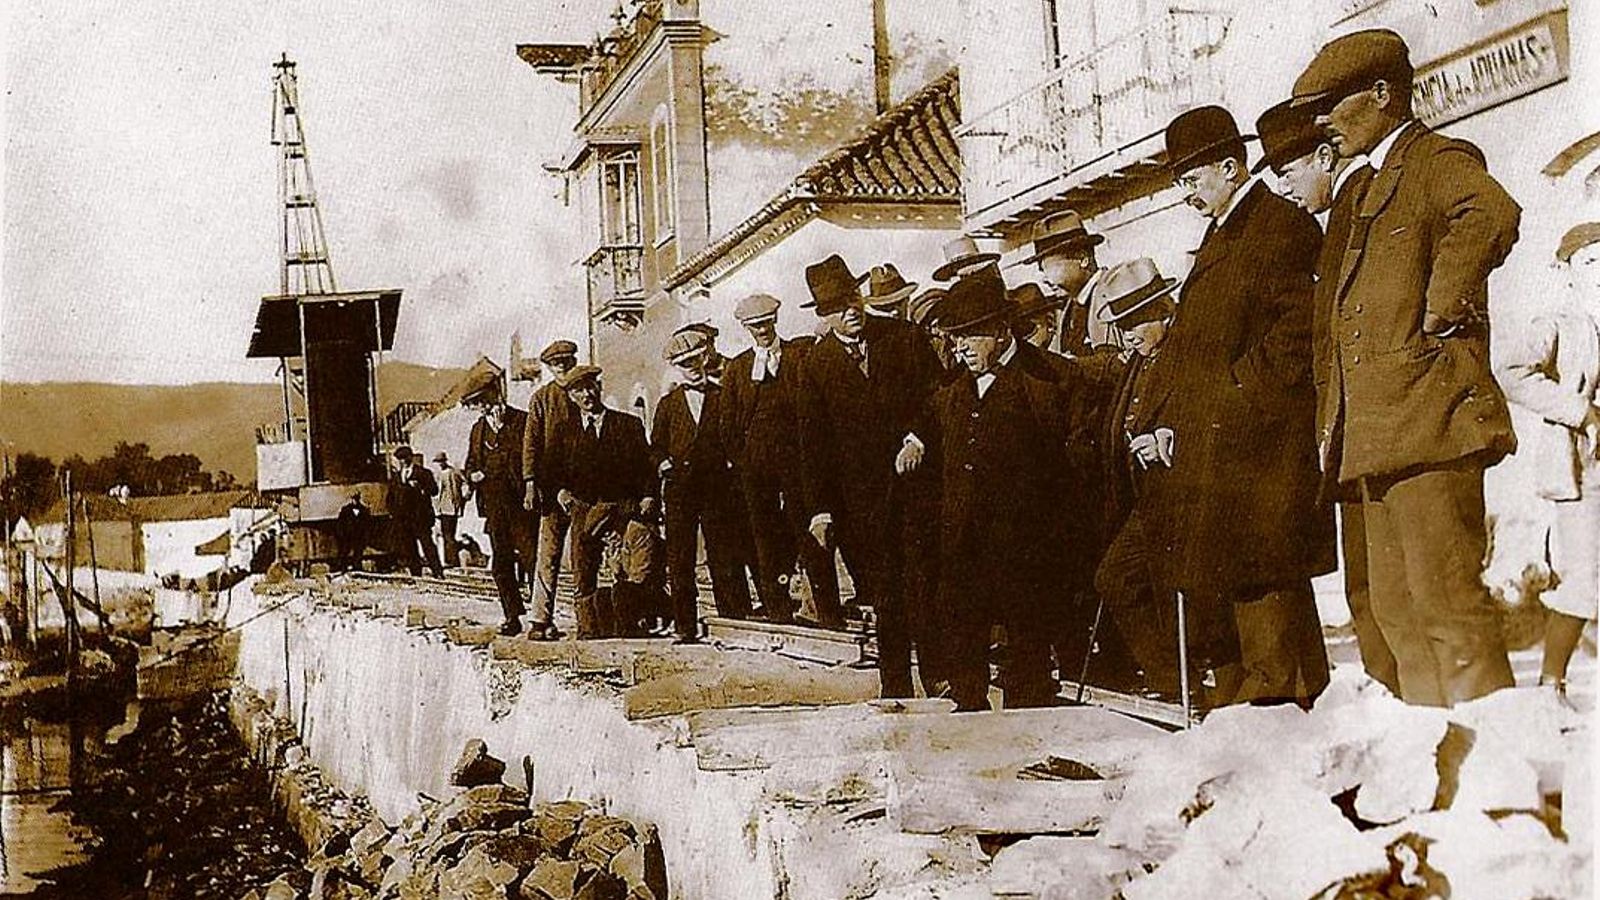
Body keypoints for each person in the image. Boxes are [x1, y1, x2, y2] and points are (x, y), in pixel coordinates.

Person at [1294, 29, 1521, 706]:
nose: (1324, 122)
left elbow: (1492, 212)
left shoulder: (1432, 159)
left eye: (1335, 103)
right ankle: (1436, 766)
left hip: (1431, 423)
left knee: (1448, 606)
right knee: (1397, 616)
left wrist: (1440, 310)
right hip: (1377, 435)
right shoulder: (1363, 188)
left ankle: (1496, 775)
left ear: (1383, 95)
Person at [1143, 104, 1332, 707]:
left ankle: (1285, 727)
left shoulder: (1281, 226)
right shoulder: (1224, 233)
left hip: (1261, 451)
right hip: (1221, 448)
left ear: (1230, 165)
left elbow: (1297, 334)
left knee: (1267, 591)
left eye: (1191, 179)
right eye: (1179, 181)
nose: (1184, 193)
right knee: (1242, 589)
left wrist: (1230, 397)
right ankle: (1267, 725)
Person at [1255, 97, 1399, 696]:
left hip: (1371, 428)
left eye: (1289, 172)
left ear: (1321, 155)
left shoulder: (1356, 203)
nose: (1285, 189)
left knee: (1382, 594)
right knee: (1366, 593)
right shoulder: (1333, 214)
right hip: (1345, 433)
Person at [897, 271, 1078, 710]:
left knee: (1028, 661)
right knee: (963, 651)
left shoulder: (1050, 380)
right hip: (963, 543)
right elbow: (928, 416)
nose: (957, 347)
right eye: (953, 337)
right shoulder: (951, 386)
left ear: (999, 330)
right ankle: (969, 723)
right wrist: (914, 439)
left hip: (1026, 546)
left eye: (967, 337)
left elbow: (1073, 470)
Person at [795, 253, 942, 697]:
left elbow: (937, 397)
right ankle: (895, 685)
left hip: (916, 491)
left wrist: (917, 438)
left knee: (925, 585)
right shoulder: (815, 366)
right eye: (839, 306)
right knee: (884, 596)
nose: (851, 310)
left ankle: (940, 677)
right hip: (859, 505)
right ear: (825, 315)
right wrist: (820, 511)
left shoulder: (904, 339)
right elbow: (812, 445)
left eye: (853, 299)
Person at [1499, 222, 1600, 703]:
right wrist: (1579, 410)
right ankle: (1549, 685)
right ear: (1569, 274)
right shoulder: (1559, 324)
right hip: (1584, 471)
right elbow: (1511, 372)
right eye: (1591, 264)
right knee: (1585, 578)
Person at [720, 292, 841, 627]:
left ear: (775, 321)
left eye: (766, 323)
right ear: (745, 328)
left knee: (811, 533)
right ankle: (779, 611)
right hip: (756, 469)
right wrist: (744, 462)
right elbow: (727, 425)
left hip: (798, 462)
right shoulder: (737, 369)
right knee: (766, 537)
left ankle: (826, 612)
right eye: (754, 326)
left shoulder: (797, 356)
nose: (762, 330)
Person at [653, 326, 753, 641]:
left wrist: (732, 464)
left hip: (716, 487)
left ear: (705, 358)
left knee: (723, 552)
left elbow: (735, 437)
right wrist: (663, 462)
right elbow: (655, 446)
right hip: (680, 489)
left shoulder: (722, 396)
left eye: (697, 360)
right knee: (680, 557)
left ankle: (733, 618)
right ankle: (684, 625)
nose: (693, 368)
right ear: (676, 368)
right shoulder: (668, 404)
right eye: (686, 364)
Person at [547, 366, 659, 640]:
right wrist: (561, 492)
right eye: (578, 391)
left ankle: (630, 623)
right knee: (583, 570)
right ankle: (588, 628)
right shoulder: (564, 431)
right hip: (584, 510)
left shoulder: (627, 425)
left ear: (599, 388)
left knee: (625, 567)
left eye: (590, 387)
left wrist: (647, 495)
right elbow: (550, 471)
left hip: (623, 507)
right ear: (571, 396)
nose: (586, 395)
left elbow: (646, 466)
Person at [463, 377, 549, 638]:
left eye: (485, 401)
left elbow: (532, 458)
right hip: (493, 506)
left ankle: (542, 618)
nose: (483, 408)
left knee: (532, 559)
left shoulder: (522, 422)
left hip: (522, 505)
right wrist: (472, 475)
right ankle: (512, 616)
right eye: (477, 405)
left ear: (497, 396)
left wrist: (502, 430)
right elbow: (470, 464)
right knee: (500, 564)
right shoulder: (477, 430)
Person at [522, 339, 581, 628]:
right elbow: (531, 444)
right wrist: (531, 483)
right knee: (548, 553)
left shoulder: (586, 392)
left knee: (587, 552)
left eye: (567, 363)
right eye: (557, 365)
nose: (563, 369)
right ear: (549, 368)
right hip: (551, 486)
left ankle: (593, 617)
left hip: (585, 487)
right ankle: (539, 618)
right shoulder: (542, 399)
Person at [1012, 210, 1111, 358]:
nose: (1044, 279)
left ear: (1082, 259)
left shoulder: (1111, 294)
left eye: (1048, 268)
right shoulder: (1070, 309)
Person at [388, 446, 444, 578]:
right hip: (403, 519)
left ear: (411, 457)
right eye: (400, 459)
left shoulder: (424, 473)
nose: (403, 461)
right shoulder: (396, 477)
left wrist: (420, 488)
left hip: (420, 517)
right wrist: (393, 512)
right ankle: (416, 573)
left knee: (427, 544)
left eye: (405, 458)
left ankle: (437, 571)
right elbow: (390, 497)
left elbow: (434, 490)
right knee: (409, 547)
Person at [433, 450, 468, 572]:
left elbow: (464, 484)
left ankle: (452, 560)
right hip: (443, 508)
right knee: (446, 534)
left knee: (449, 535)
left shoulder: (452, 472)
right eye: (438, 462)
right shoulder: (439, 474)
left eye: (441, 462)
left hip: (451, 508)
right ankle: (449, 559)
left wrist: (463, 497)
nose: (440, 464)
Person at [334, 490, 371, 573]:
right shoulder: (345, 510)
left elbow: (367, 526)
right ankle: (342, 568)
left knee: (358, 553)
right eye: (354, 498)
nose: (355, 501)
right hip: (347, 536)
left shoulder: (364, 511)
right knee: (344, 553)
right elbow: (340, 523)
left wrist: (365, 537)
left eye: (356, 498)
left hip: (359, 536)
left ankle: (357, 567)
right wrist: (341, 535)